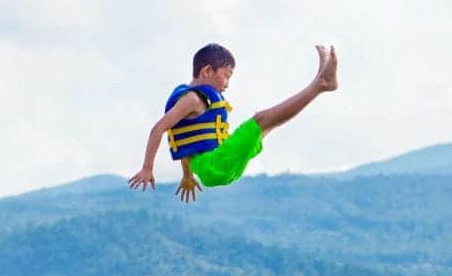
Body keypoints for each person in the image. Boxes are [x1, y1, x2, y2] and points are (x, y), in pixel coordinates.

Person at [130, 43, 340, 202]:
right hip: (216, 164)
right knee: (261, 120)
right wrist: (147, 168)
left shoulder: (196, 100)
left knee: (267, 124)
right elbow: (158, 129)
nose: (227, 84)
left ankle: (319, 81)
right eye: (226, 76)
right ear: (207, 71)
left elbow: (188, 144)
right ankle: (321, 84)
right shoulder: (191, 99)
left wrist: (187, 175)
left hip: (216, 166)